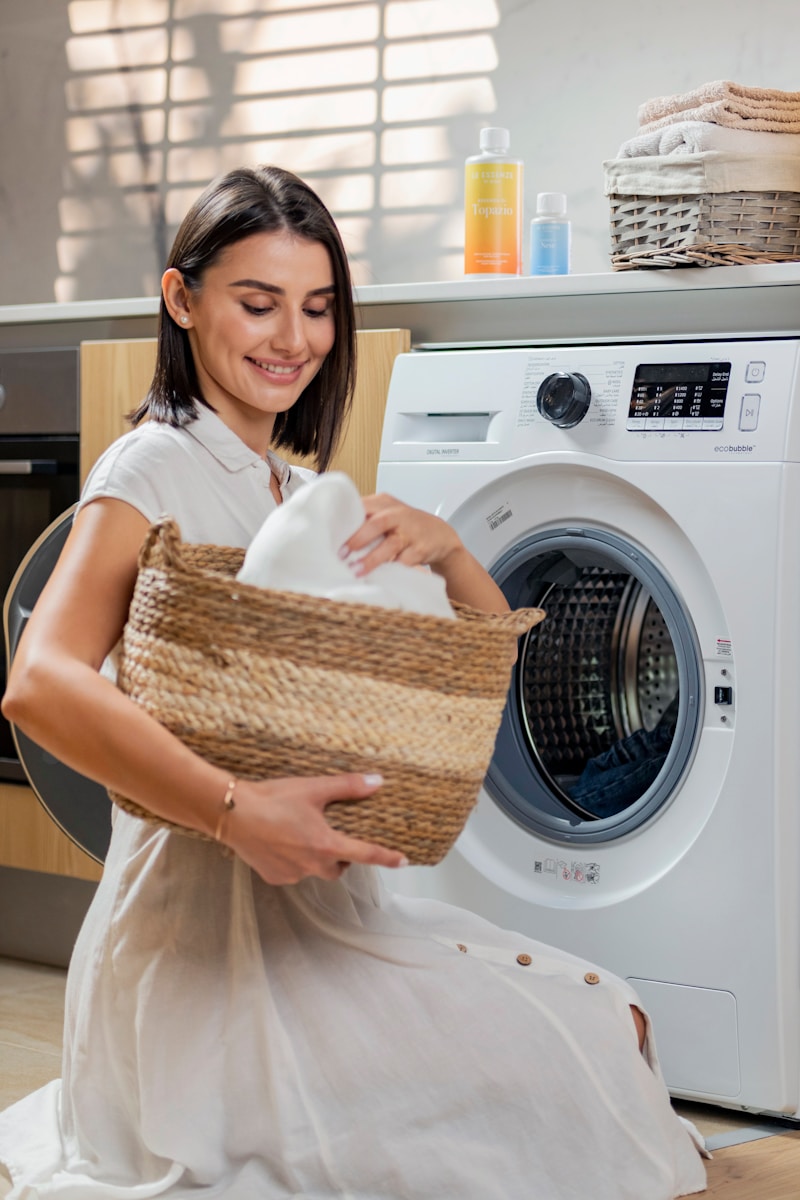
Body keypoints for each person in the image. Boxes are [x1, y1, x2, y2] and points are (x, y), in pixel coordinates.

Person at [0, 165, 706, 1199]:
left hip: (329, 918)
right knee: (579, 1069)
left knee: (614, 1018)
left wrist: (452, 551)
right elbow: (40, 683)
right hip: (202, 948)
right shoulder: (150, 467)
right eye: (257, 302)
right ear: (180, 299)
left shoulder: (296, 491)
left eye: (317, 307)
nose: (293, 337)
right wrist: (238, 811)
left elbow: (460, 679)